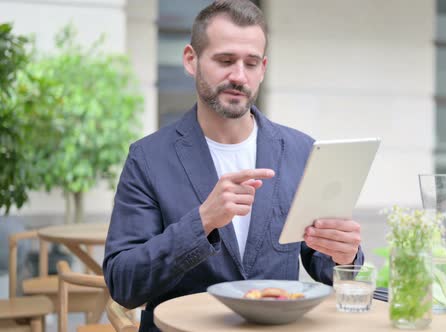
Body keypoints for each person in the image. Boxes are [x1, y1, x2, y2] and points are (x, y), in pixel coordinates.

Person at [103, 1, 364, 330]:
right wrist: (202, 222)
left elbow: (325, 268)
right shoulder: (148, 158)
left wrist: (345, 255)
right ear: (191, 60)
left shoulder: (301, 151)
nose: (239, 76)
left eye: (251, 63)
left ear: (263, 68)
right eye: (225, 60)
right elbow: (123, 284)